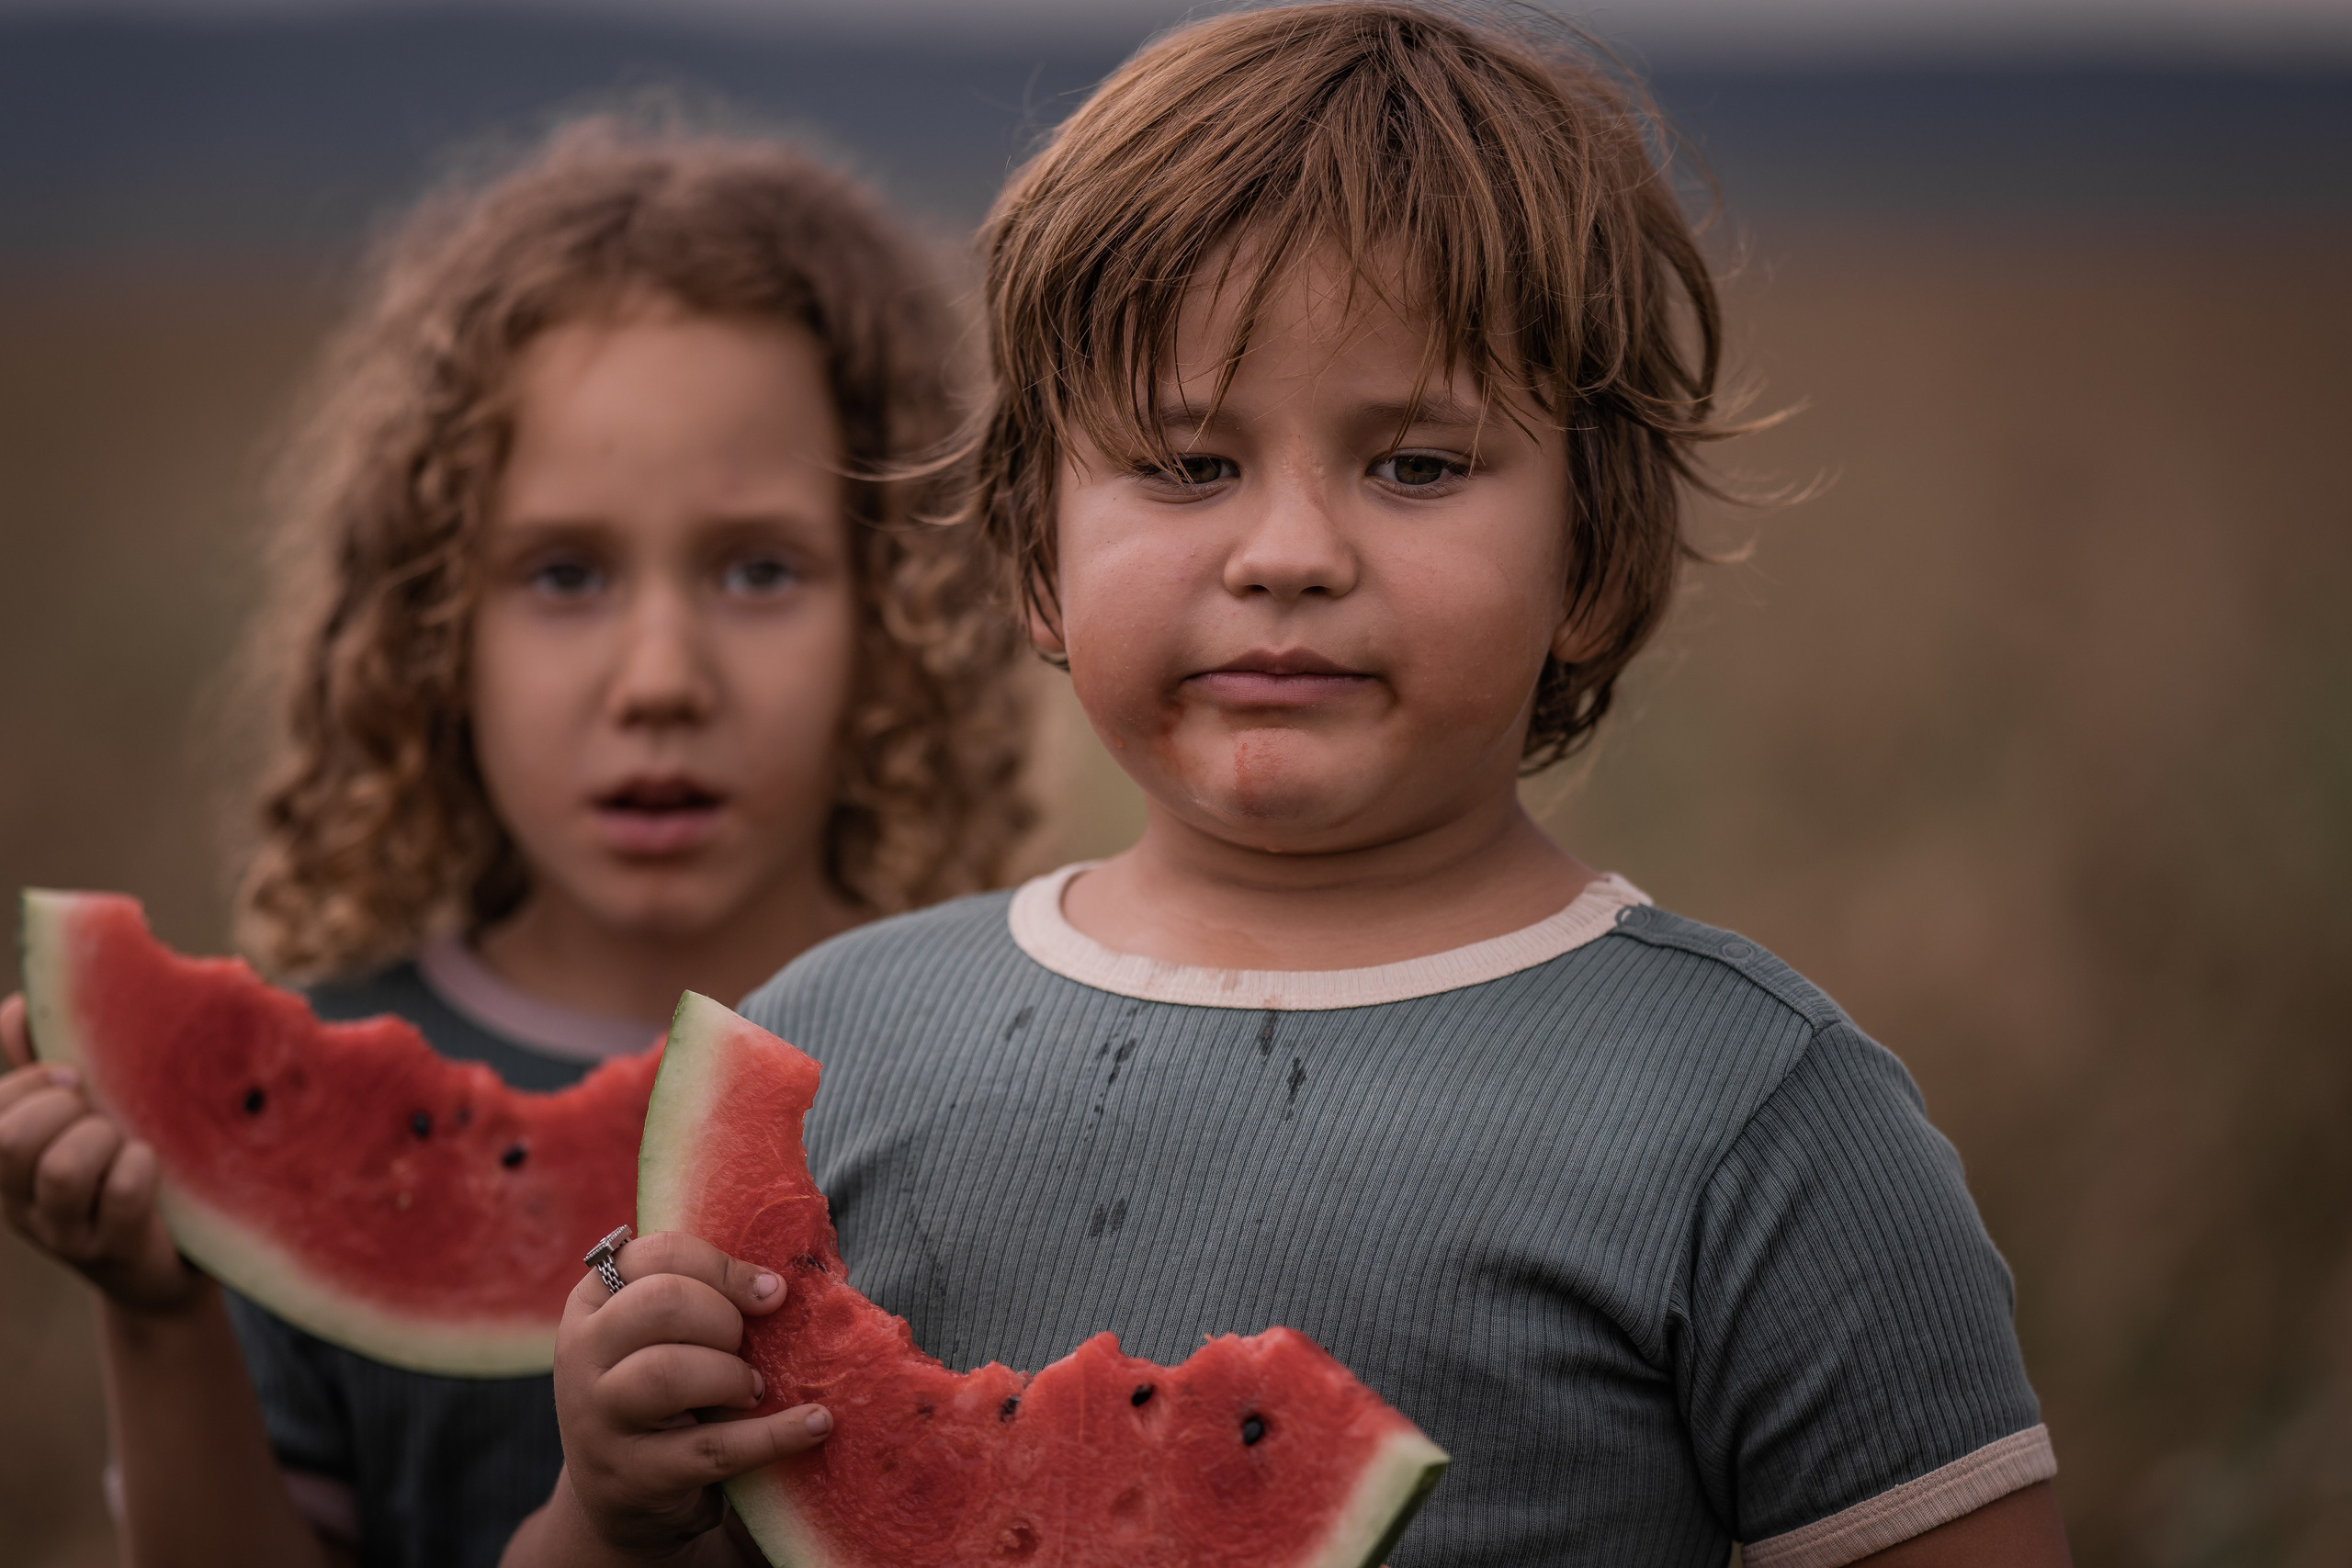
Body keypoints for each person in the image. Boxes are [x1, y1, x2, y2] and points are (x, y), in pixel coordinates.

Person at [519, 7, 2075, 1566]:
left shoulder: (1764, 1121)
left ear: (1591, 558)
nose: (1288, 556)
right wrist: (607, 1507)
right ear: (1034, 561)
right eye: (1189, 464)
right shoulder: (828, 1047)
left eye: (1416, 467)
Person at [0, 118, 1029, 1568]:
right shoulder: (298, 1109)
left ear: (896, 610)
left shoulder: (993, 1077)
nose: (660, 675)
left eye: (757, 569)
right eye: (563, 573)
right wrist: (159, 1311)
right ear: (432, 633)